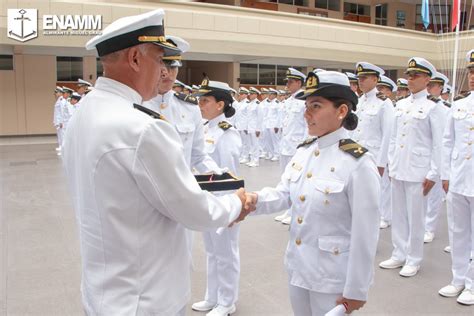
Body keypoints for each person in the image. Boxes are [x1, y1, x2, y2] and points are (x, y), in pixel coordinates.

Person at [62, 9, 251, 316]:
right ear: (136, 59)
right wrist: (235, 202)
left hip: (104, 292)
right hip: (146, 298)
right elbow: (195, 211)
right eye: (159, 59)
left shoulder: (85, 112)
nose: (164, 70)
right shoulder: (141, 126)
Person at [244, 71, 380, 315]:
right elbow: (284, 194)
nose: (306, 114)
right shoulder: (304, 151)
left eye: (316, 106)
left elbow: (365, 233)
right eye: (306, 106)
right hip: (298, 266)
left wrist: (357, 289)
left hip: (331, 276)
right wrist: (254, 200)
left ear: (341, 111)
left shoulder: (358, 163)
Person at [380, 57, 445, 277]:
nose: (410, 79)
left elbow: (438, 144)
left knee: (416, 217)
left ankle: (414, 258)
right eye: (409, 75)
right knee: (398, 215)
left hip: (419, 170)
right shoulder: (401, 104)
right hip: (399, 167)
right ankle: (399, 253)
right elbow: (392, 138)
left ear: (427, 79)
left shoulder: (434, 108)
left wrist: (434, 173)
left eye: (415, 75)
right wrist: (390, 162)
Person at [192, 80, 242, 316]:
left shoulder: (227, 133)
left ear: (220, 104)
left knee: (226, 254)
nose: (199, 105)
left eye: (205, 101)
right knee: (212, 252)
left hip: (224, 202)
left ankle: (227, 301)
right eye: (199, 100)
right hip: (207, 200)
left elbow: (230, 174)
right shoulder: (203, 128)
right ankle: (212, 297)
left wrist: (233, 209)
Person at [438, 49, 474, 305]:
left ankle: (472, 284)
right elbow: (447, 142)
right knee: (458, 231)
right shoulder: (459, 106)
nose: (472, 76)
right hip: (460, 178)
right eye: (471, 71)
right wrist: (446, 174)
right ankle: (458, 278)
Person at [352, 62, 395, 230]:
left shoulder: (384, 103)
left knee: (379, 191)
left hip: (375, 155)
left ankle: (383, 216)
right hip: (358, 154)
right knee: (361, 193)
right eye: (359, 78)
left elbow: (388, 134)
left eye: (364, 78)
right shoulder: (358, 101)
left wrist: (382, 162)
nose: (360, 81)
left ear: (376, 79)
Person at [274, 68, 307, 225]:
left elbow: (307, 126)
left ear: (299, 83)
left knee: (297, 180)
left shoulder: (304, 101)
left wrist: (305, 146)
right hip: (285, 145)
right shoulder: (288, 101)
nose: (287, 84)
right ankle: (288, 209)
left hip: (297, 146)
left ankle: (296, 211)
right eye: (287, 81)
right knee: (285, 178)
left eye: (290, 82)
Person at [424, 71, 450, 244]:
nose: (429, 88)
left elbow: (442, 140)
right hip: (420, 157)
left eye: (432, 85)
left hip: (435, 157)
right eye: (428, 84)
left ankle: (429, 228)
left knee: (433, 195)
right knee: (420, 197)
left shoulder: (444, 108)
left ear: (440, 88)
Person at [53, 86, 64, 154]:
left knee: (62, 135)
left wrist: (61, 122)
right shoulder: (59, 100)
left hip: (60, 121)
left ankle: (63, 149)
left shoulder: (62, 100)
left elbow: (63, 112)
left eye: (56, 92)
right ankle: (60, 146)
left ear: (60, 93)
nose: (55, 94)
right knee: (59, 134)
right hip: (58, 121)